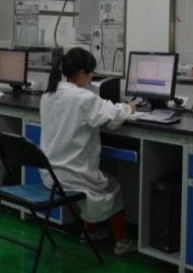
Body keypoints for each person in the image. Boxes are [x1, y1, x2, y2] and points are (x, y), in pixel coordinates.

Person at [40, 47, 137, 255]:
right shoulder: (83, 98)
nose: (92, 78)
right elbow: (113, 116)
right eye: (91, 73)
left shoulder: (48, 94)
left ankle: (89, 232)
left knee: (93, 186)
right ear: (81, 73)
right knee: (111, 185)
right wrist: (129, 108)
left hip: (50, 174)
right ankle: (123, 241)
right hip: (73, 175)